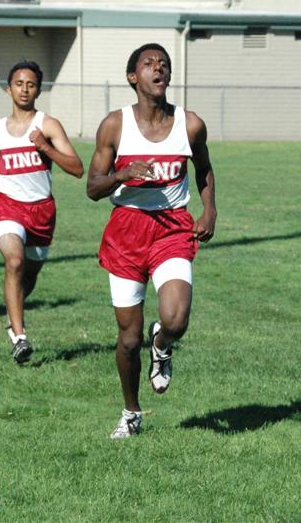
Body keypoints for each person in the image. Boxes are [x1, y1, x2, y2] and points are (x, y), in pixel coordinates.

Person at [86, 43, 217, 439]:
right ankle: (131, 411)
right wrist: (122, 175)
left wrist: (209, 210)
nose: (158, 68)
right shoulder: (115, 125)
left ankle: (161, 343)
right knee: (128, 339)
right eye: (148, 63)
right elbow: (92, 188)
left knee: (176, 319)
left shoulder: (189, 124)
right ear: (133, 77)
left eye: (164, 64)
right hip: (126, 231)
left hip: (172, 228)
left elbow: (204, 168)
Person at [0, 61, 84, 364]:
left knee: (29, 275)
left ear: (38, 90)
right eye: (19, 84)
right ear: (9, 89)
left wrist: (45, 147)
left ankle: (13, 311)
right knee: (14, 261)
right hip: (6, 203)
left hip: (41, 211)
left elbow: (77, 168)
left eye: (31, 84)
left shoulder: (48, 125)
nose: (24, 89)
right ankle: (19, 336)